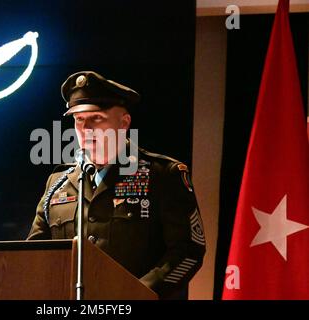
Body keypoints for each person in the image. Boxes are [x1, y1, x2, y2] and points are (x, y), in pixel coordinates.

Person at [27, 71, 206, 299]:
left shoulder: (161, 175)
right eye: (79, 119)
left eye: (97, 118)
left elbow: (188, 252)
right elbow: (34, 255)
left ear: (123, 123)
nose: (86, 128)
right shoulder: (58, 182)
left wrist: (137, 294)